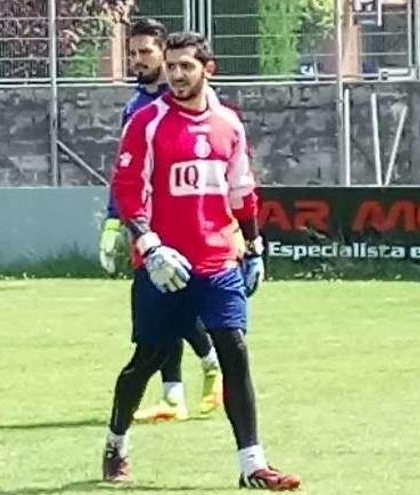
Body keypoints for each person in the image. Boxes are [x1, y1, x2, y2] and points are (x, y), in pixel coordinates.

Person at [102, 31, 300, 491]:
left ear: (208, 69)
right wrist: (148, 245)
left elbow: (241, 191)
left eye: (185, 67)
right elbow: (128, 189)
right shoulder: (147, 122)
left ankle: (253, 465)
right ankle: (116, 441)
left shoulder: (229, 124)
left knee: (235, 351)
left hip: (216, 261)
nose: (175, 75)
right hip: (164, 264)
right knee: (148, 359)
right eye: (170, 67)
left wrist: (253, 245)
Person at [98, 18, 222, 421]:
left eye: (146, 52)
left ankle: (209, 362)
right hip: (145, 226)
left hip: (184, 222)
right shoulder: (135, 107)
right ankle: (174, 394)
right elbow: (125, 173)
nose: (138, 60)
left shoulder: (189, 102)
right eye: (132, 53)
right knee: (162, 310)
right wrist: (115, 220)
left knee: (177, 306)